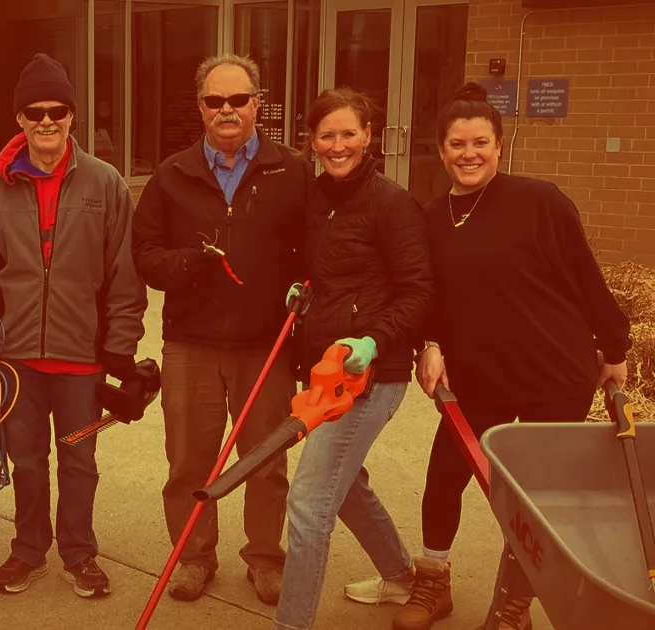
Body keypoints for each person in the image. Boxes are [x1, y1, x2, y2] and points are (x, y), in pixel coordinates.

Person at [346, 82, 631, 630]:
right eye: (457, 144)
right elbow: (422, 293)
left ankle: (513, 603)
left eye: (480, 142)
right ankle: (433, 584)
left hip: (555, 372)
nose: (469, 154)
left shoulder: (540, 200)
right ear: (441, 149)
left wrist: (613, 346)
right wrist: (429, 342)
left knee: (533, 500)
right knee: (444, 475)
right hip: (478, 376)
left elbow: (586, 277)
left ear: (499, 146)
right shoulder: (429, 218)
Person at [0, 52, 147, 598]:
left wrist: (120, 350)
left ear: (71, 116)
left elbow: (124, 276)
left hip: (81, 359)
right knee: (28, 462)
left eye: (57, 110)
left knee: (79, 462)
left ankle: (80, 553)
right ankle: (28, 551)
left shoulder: (105, 184)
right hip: (17, 361)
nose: (46, 120)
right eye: (34, 111)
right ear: (19, 118)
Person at [131, 53, 313, 605]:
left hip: (266, 344)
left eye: (239, 99)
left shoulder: (293, 171)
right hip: (191, 343)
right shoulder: (172, 174)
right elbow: (144, 254)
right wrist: (186, 264)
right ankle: (193, 556)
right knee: (188, 460)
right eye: (215, 101)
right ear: (201, 107)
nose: (227, 109)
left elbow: (316, 252)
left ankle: (264, 558)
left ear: (258, 103)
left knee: (265, 461)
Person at [271, 88, 433, 630]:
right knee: (344, 483)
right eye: (326, 135)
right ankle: (401, 575)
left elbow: (416, 292)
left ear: (369, 136)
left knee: (310, 501)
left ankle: (290, 623)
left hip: (370, 374)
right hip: (326, 371)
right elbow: (331, 271)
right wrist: (303, 288)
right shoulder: (317, 198)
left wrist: (375, 342)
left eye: (348, 134)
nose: (337, 145)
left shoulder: (393, 203)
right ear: (311, 141)